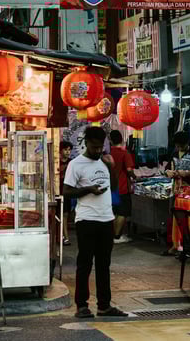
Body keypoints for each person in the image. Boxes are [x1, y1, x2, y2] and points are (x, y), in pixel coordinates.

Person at [63, 126, 127, 319]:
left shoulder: (104, 161)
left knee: (103, 264)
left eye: (101, 147)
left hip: (106, 219)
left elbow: (113, 187)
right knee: (84, 264)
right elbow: (67, 191)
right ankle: (81, 305)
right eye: (94, 147)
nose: (98, 150)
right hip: (86, 220)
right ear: (86, 143)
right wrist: (88, 189)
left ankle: (104, 306)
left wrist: (111, 167)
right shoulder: (76, 164)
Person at [163, 130, 190, 256]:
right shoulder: (174, 153)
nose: (179, 148)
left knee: (189, 219)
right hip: (177, 192)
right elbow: (167, 169)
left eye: (181, 146)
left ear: (187, 143)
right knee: (175, 220)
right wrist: (168, 172)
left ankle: (189, 245)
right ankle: (176, 245)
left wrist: (188, 173)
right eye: (177, 146)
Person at [109, 130, 135, 244]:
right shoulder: (125, 153)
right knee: (122, 212)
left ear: (110, 140)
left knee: (113, 212)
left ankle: (112, 235)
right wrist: (135, 177)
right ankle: (117, 236)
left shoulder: (108, 153)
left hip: (110, 187)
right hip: (122, 187)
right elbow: (129, 170)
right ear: (122, 139)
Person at [59, 140, 74, 246]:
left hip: (67, 191)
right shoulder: (56, 162)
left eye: (69, 150)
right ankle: (63, 236)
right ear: (60, 150)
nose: (68, 152)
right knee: (59, 215)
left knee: (65, 214)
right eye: (65, 149)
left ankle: (64, 236)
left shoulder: (72, 162)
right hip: (57, 190)